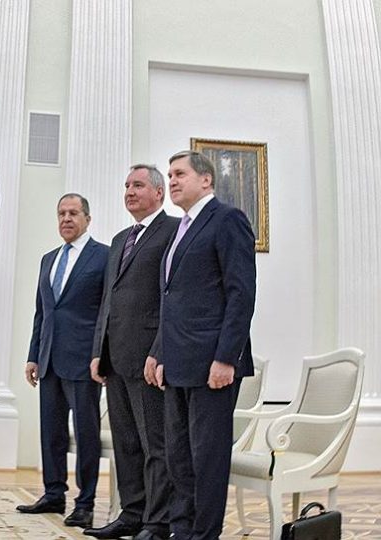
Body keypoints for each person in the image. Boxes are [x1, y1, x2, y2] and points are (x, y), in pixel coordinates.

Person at [148, 150, 256, 540]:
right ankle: (181, 530)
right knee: (178, 456)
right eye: (170, 175)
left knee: (206, 458)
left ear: (206, 179)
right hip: (177, 362)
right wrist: (159, 352)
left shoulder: (227, 220)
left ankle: (204, 534)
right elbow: (172, 298)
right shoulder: (182, 228)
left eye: (180, 174)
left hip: (212, 363)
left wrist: (227, 357)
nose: (172, 181)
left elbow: (240, 294)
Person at [84, 165, 178, 540]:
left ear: (159, 192)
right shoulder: (120, 238)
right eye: (126, 186)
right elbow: (108, 300)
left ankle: (157, 522)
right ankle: (132, 513)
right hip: (116, 358)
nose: (130, 191)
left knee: (155, 444)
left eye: (138, 185)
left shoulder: (173, 232)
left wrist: (161, 350)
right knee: (126, 443)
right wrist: (98, 350)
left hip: (149, 359)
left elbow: (172, 297)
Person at [16, 194, 108, 529]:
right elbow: (42, 312)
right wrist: (33, 355)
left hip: (84, 362)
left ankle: (85, 502)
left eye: (73, 213)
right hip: (49, 360)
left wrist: (101, 355)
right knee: (51, 432)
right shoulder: (48, 259)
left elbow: (106, 313)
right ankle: (53, 493)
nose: (66, 219)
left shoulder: (104, 256)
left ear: (87, 218)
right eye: (61, 214)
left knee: (85, 435)